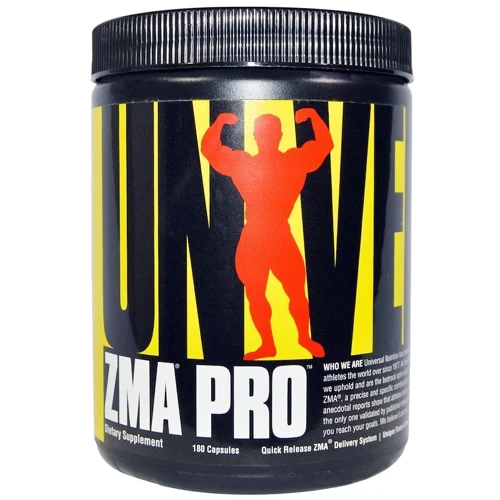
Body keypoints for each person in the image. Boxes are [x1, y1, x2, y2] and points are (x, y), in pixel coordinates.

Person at [201, 108, 333, 360]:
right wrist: (219, 121)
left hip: (277, 235)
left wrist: (314, 115)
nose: (267, 136)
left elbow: (325, 145)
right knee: (257, 294)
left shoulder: (290, 161)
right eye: (264, 132)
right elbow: (209, 150)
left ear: (279, 135)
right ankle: (268, 345)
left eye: (270, 132)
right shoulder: (251, 163)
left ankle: (303, 338)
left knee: (294, 292)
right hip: (256, 236)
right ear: (256, 136)